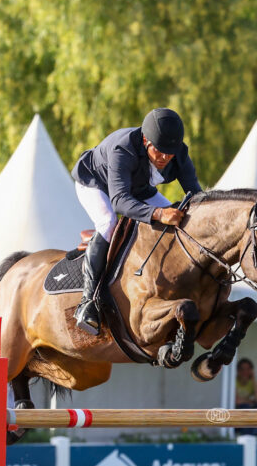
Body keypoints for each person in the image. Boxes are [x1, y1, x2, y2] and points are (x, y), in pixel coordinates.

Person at [70, 108, 202, 335]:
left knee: (183, 220)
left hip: (138, 187)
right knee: (109, 223)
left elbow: (197, 196)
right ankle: (88, 302)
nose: (165, 158)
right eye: (159, 151)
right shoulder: (124, 149)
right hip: (95, 183)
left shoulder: (177, 152)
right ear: (145, 140)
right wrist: (160, 214)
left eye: (169, 153)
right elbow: (120, 202)